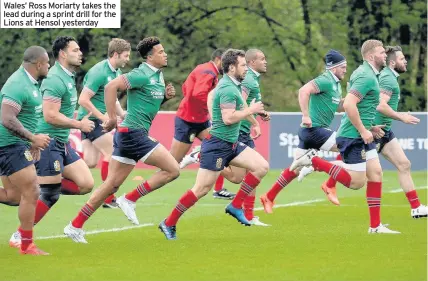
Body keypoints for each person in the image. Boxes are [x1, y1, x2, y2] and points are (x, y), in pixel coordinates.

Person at [64, 36, 179, 243]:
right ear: (150, 57)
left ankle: (75, 225)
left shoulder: (158, 76)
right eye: (161, 52)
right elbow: (110, 88)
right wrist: (110, 118)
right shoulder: (141, 73)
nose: (165, 54)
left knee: (110, 185)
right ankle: (130, 199)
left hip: (130, 134)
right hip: (133, 133)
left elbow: (149, 105)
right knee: (173, 170)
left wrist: (164, 98)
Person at [289, 40, 400, 234]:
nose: (385, 55)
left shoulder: (365, 73)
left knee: (376, 174)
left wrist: (369, 127)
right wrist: (364, 130)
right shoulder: (366, 76)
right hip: (353, 135)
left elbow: (357, 105)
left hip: (361, 133)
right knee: (357, 183)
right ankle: (313, 161)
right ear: (372, 56)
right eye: (382, 52)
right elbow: (349, 104)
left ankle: (375, 226)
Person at [159, 49, 268, 240]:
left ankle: (235, 206)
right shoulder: (227, 88)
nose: (246, 69)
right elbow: (228, 118)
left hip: (232, 144)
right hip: (217, 145)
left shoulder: (232, 85)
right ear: (232, 67)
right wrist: (251, 110)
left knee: (260, 167)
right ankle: (169, 222)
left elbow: (235, 105)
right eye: (243, 65)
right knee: (201, 190)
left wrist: (254, 121)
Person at [9, 36, 95, 248]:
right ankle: (19, 235)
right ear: (63, 54)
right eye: (75, 50)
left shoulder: (67, 76)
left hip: (61, 141)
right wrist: (78, 125)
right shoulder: (55, 78)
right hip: (47, 140)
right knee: (50, 195)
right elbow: (50, 115)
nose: (80, 53)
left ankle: (39, 184)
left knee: (86, 184)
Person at [260, 49, 347, 210]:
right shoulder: (326, 80)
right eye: (343, 67)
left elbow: (339, 106)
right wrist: (305, 115)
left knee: (295, 169)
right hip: (314, 130)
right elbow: (303, 91)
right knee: (348, 145)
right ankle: (329, 183)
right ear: (334, 67)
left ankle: (268, 197)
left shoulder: (335, 85)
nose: (345, 70)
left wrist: (354, 104)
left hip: (310, 132)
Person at [1, 46, 51, 255]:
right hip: (8, 146)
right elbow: (6, 118)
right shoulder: (18, 84)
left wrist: (31, 142)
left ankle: (26, 243)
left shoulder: (30, 83)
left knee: (13, 196)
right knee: (32, 190)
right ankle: (26, 245)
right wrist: (32, 138)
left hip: (16, 144)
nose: (49, 66)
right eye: (47, 62)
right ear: (39, 64)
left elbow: (23, 117)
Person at [173, 49, 236, 200]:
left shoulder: (204, 68)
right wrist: (215, 106)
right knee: (171, 165)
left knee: (220, 145)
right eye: (227, 63)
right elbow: (198, 94)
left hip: (198, 119)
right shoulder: (209, 72)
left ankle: (218, 189)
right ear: (219, 59)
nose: (229, 67)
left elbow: (185, 88)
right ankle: (130, 196)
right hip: (188, 120)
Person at [374, 45, 427, 218]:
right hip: (375, 131)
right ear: (392, 62)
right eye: (402, 58)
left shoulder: (390, 77)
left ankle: (416, 207)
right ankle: (315, 163)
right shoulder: (388, 79)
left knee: (404, 165)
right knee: (355, 176)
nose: (405, 61)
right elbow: (380, 105)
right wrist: (401, 117)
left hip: (385, 132)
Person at [77, 38, 131, 208]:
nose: (128, 59)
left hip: (93, 119)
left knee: (90, 162)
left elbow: (112, 99)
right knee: (111, 153)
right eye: (126, 56)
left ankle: (51, 176)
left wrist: (122, 115)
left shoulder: (115, 73)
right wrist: (102, 117)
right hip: (91, 120)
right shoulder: (99, 72)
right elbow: (83, 99)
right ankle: (108, 199)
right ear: (115, 54)